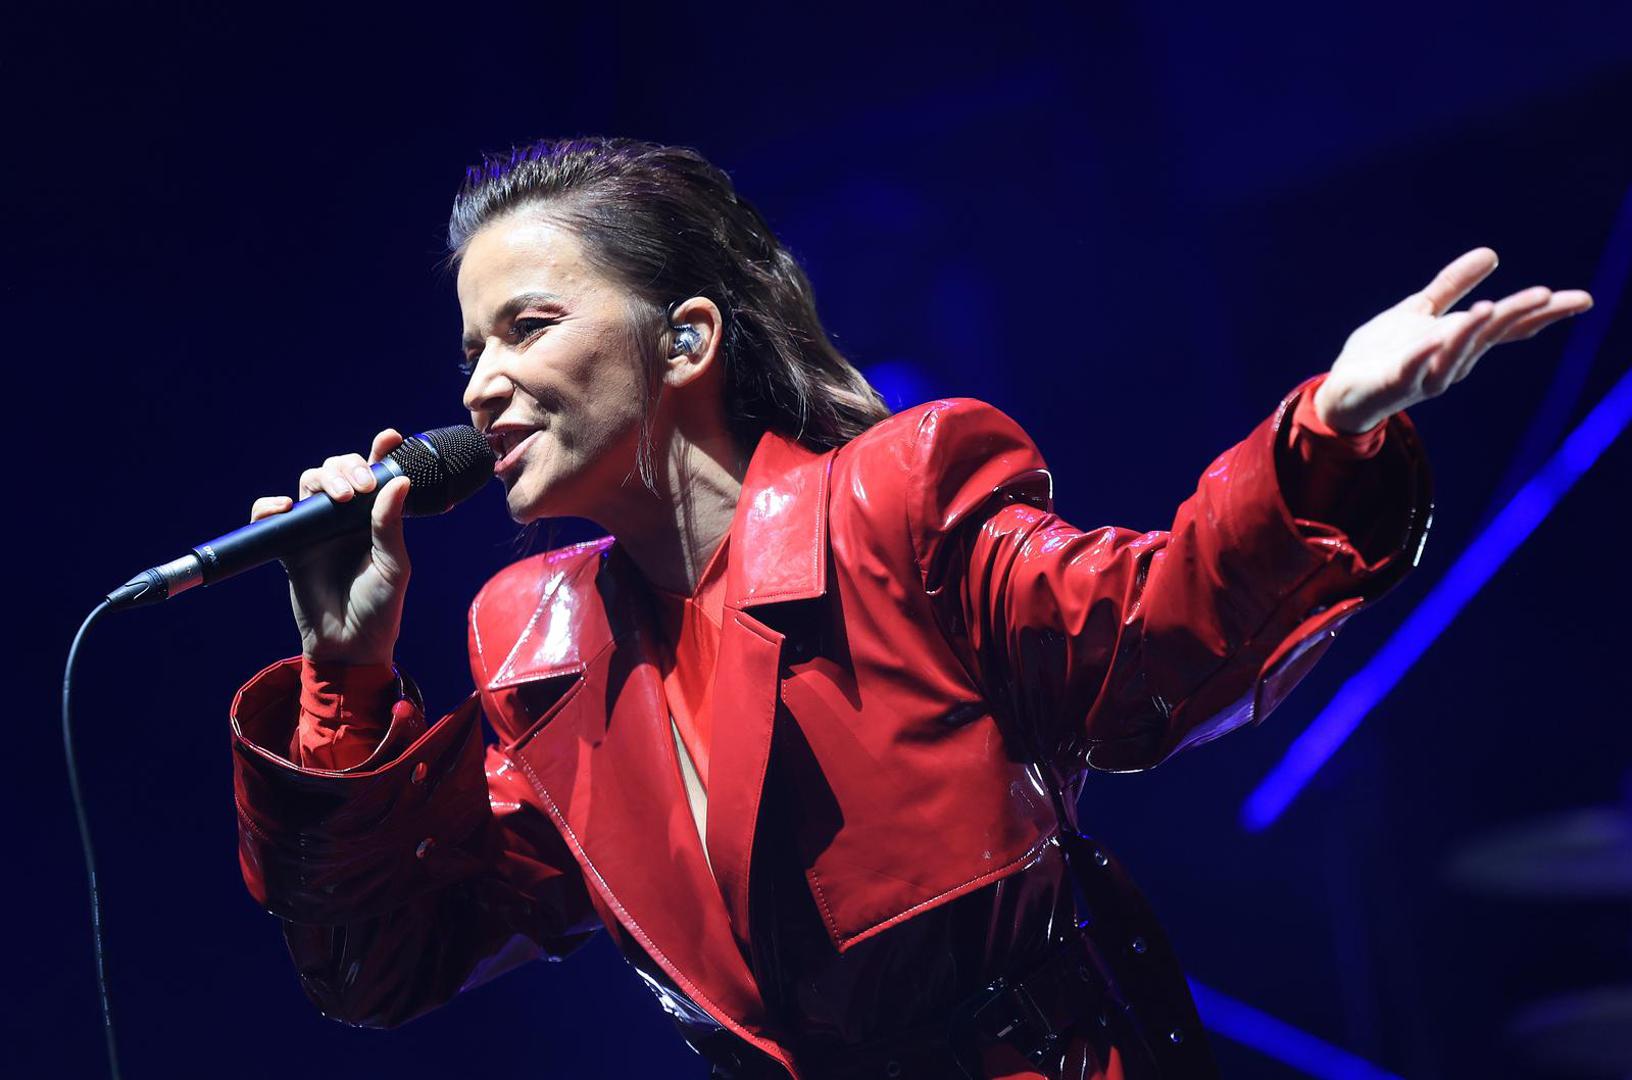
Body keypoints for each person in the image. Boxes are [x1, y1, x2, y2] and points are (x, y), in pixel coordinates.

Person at [230, 137, 1592, 1079]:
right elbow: (378, 965)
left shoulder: (895, 501)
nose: (478, 387)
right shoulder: (543, 648)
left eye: (526, 328)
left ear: (688, 339)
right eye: (470, 350)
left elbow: (1154, 639)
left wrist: (1328, 430)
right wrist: (345, 672)